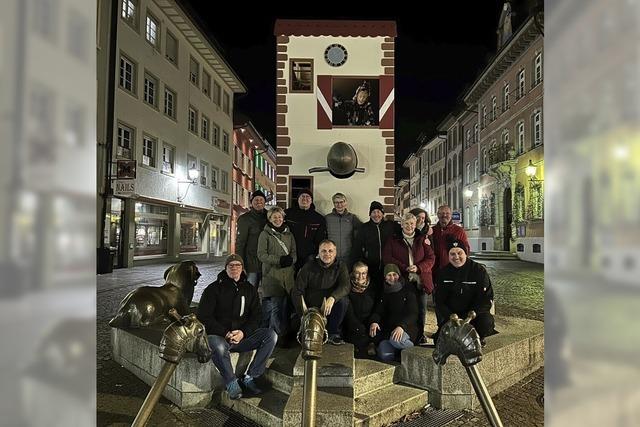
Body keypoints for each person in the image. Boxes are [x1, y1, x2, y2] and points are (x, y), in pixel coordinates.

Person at [197, 254, 277, 400]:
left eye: (238, 265)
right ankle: (231, 383)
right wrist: (225, 333)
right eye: (231, 265)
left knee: (270, 335)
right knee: (216, 345)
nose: (234, 268)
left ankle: (251, 376)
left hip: (242, 337)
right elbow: (204, 316)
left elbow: (257, 316)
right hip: (221, 337)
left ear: (242, 269)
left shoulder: (249, 289)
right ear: (226, 268)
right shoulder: (213, 289)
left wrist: (243, 332)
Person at [383, 212, 435, 346]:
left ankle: (420, 334)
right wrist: (405, 267)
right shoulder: (393, 240)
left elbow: (431, 258)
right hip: (403, 280)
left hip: (420, 280)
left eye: (412, 223)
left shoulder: (422, 239)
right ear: (401, 224)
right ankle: (408, 333)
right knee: (407, 308)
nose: (409, 226)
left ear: (415, 224)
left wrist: (418, 267)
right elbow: (388, 257)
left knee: (422, 308)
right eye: (406, 223)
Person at [434, 239, 496, 346]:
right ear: (448, 256)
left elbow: (487, 298)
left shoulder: (478, 271)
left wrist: (473, 315)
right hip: (453, 317)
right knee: (439, 342)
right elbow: (439, 301)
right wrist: (451, 317)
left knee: (486, 323)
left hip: (474, 316)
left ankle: (478, 337)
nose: (456, 257)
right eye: (452, 254)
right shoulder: (443, 273)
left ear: (465, 253)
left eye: (459, 253)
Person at [291, 240, 350, 345]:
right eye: (324, 251)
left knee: (343, 301)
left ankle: (333, 334)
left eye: (330, 251)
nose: (327, 254)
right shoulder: (308, 266)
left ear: (335, 253)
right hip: (310, 307)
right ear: (319, 252)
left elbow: (345, 286)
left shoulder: (341, 267)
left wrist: (333, 297)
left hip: (329, 307)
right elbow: (297, 290)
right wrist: (303, 312)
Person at [257, 206, 296, 341]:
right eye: (275, 217)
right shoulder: (265, 234)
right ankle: (278, 336)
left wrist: (291, 260)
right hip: (272, 275)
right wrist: (279, 260)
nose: (278, 219)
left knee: (285, 306)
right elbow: (261, 255)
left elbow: (294, 252)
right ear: (270, 219)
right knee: (276, 308)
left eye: (280, 217)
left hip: (288, 276)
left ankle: (282, 333)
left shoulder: (289, 234)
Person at [369, 264, 418, 361]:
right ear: (385, 277)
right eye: (389, 275)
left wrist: (402, 326)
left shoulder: (408, 290)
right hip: (388, 331)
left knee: (395, 340)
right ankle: (400, 352)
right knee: (385, 355)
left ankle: (416, 351)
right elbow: (378, 311)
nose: (392, 278)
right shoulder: (384, 292)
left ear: (399, 275)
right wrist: (374, 321)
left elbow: (413, 313)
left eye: (394, 274)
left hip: (406, 328)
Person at [352, 201, 398, 294]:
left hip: (388, 267)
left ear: (382, 213)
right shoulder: (364, 228)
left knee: (387, 292)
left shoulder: (391, 225)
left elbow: (407, 229)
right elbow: (357, 248)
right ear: (370, 214)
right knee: (373, 292)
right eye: (373, 212)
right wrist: (360, 263)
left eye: (378, 212)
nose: (376, 215)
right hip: (370, 266)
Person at [285, 189, 327, 273]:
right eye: (302, 196)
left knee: (307, 282)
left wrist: (316, 255)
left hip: (310, 257)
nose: (305, 199)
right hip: (289, 254)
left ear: (311, 200)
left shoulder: (319, 218)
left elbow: (321, 239)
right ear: (298, 199)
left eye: (308, 197)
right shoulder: (287, 214)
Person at [343, 262, 378, 358]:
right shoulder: (348, 286)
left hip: (368, 320)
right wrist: (356, 325)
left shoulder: (373, 286)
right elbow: (348, 312)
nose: (360, 276)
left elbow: (377, 307)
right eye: (357, 273)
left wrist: (374, 321)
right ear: (353, 273)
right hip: (353, 322)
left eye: (364, 273)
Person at [236, 190, 268, 287]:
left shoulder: (270, 216)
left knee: (268, 292)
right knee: (250, 290)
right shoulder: (245, 219)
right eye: (256, 200)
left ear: (264, 202)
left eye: (261, 199)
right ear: (251, 202)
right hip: (251, 264)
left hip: (267, 263)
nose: (259, 202)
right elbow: (240, 243)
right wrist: (240, 263)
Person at [431, 204, 471, 275]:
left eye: (447, 213)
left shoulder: (459, 230)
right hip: (434, 269)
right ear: (438, 215)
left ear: (451, 215)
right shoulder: (432, 231)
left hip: (453, 268)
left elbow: (466, 249)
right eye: (442, 213)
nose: (444, 215)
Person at [325, 192, 361, 268]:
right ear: (333, 204)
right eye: (336, 202)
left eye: (341, 202)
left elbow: (363, 229)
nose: (339, 205)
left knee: (346, 278)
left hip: (348, 256)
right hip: (331, 256)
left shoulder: (352, 217)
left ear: (345, 203)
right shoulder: (327, 218)